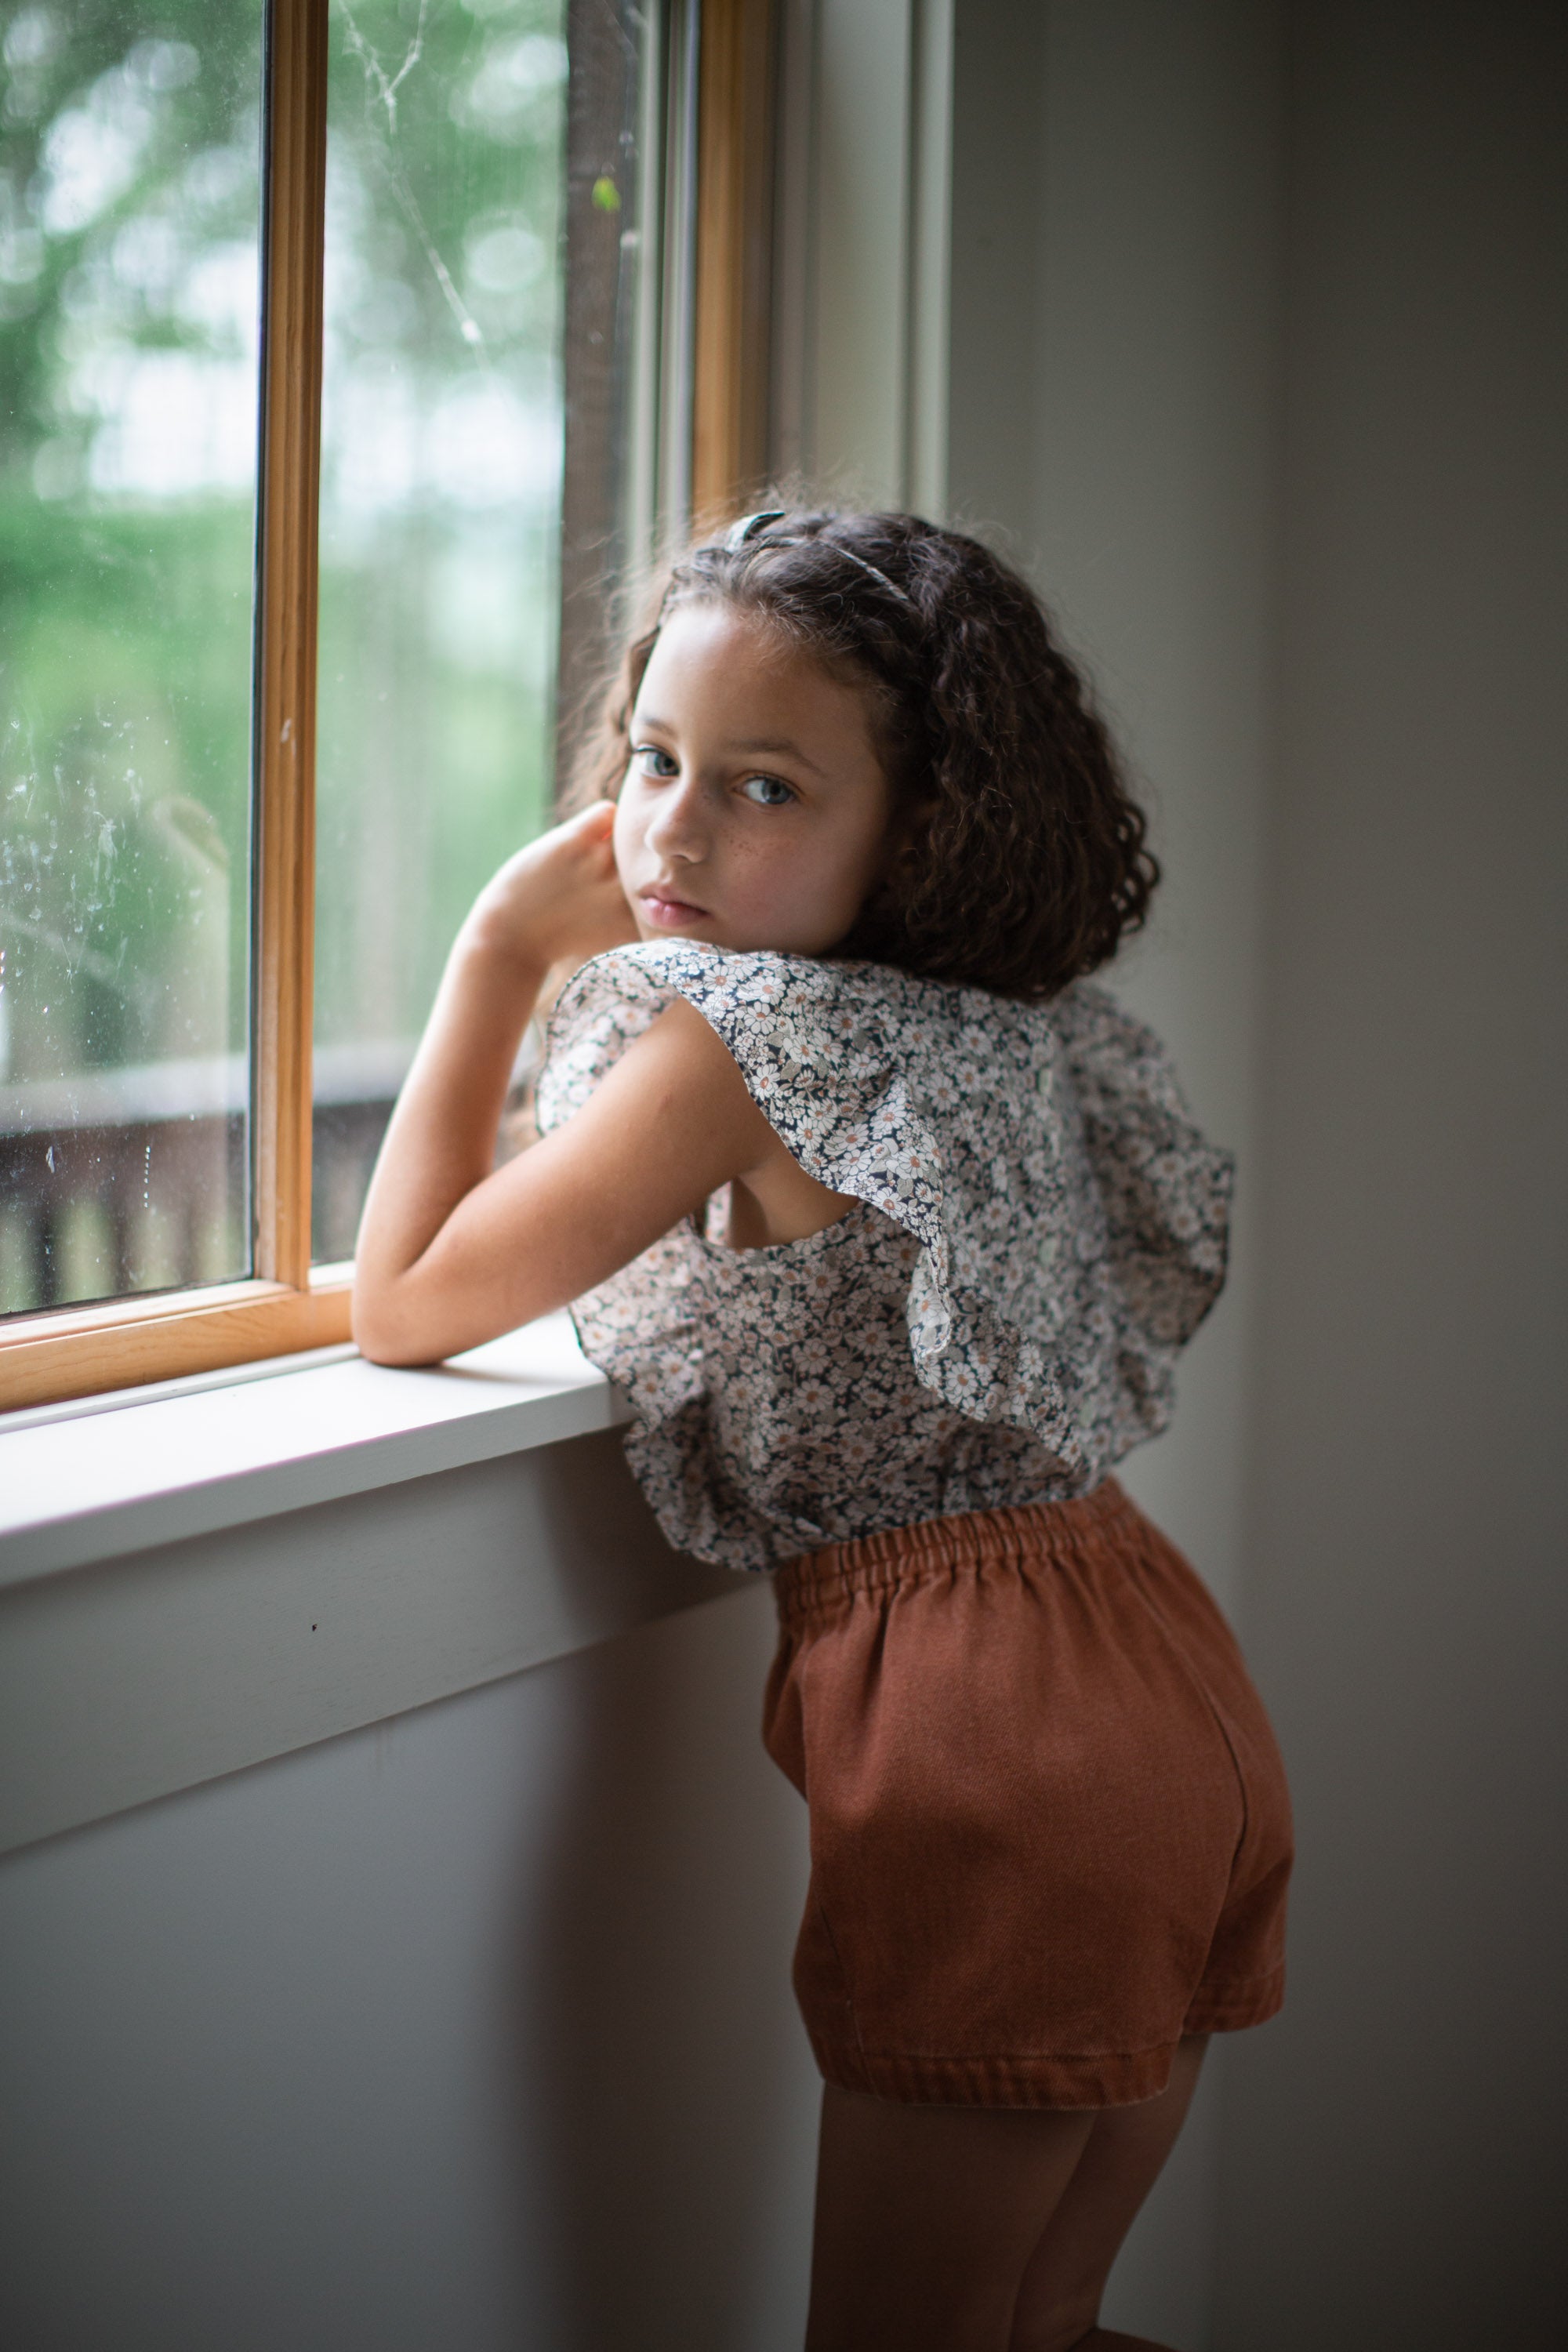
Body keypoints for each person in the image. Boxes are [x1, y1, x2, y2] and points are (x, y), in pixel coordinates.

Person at [353, 509, 1293, 2352]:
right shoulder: (1003, 1025)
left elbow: (405, 1297)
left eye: (763, 788)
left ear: (921, 828)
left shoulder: (742, 1048)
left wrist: (488, 949)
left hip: (1001, 1749)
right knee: (1046, 2320)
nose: (670, 834)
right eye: (651, 762)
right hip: (1161, 1681)